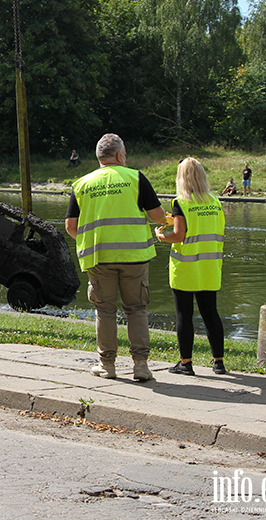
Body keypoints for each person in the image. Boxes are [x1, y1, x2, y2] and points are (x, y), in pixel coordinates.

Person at [65, 133, 165, 382]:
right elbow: (157, 216)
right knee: (137, 309)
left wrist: (90, 240)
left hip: (99, 258)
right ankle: (140, 365)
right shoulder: (135, 178)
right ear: (120, 155)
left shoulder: (82, 184)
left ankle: (107, 365)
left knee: (105, 311)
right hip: (134, 256)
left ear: (99, 157)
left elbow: (70, 226)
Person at [154, 158, 227, 376]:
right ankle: (219, 362)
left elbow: (179, 235)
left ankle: (186, 363)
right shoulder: (215, 201)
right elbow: (203, 227)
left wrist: (161, 235)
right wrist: (172, 220)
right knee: (210, 313)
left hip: (186, 267)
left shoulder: (181, 203)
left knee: (184, 314)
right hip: (209, 265)